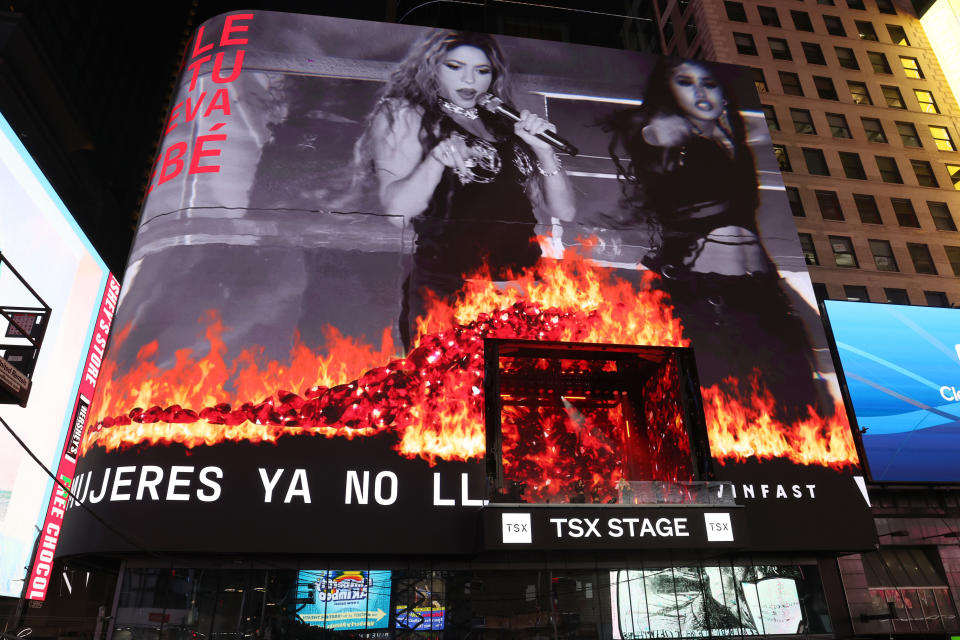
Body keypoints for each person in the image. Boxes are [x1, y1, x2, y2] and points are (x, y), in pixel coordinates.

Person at [601, 58, 828, 413]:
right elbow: (650, 137)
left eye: (708, 82)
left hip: (759, 290)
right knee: (718, 401)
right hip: (703, 292)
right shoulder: (667, 133)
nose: (700, 91)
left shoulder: (734, 143)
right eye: (685, 82)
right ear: (669, 93)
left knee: (793, 399)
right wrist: (669, 129)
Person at [354, 30, 576, 349]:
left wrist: (543, 151)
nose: (470, 79)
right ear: (432, 68)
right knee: (450, 397)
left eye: (482, 71)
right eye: (455, 67)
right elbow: (397, 213)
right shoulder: (407, 114)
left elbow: (564, 211)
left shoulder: (502, 121)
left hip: (523, 289)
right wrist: (436, 160)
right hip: (449, 295)